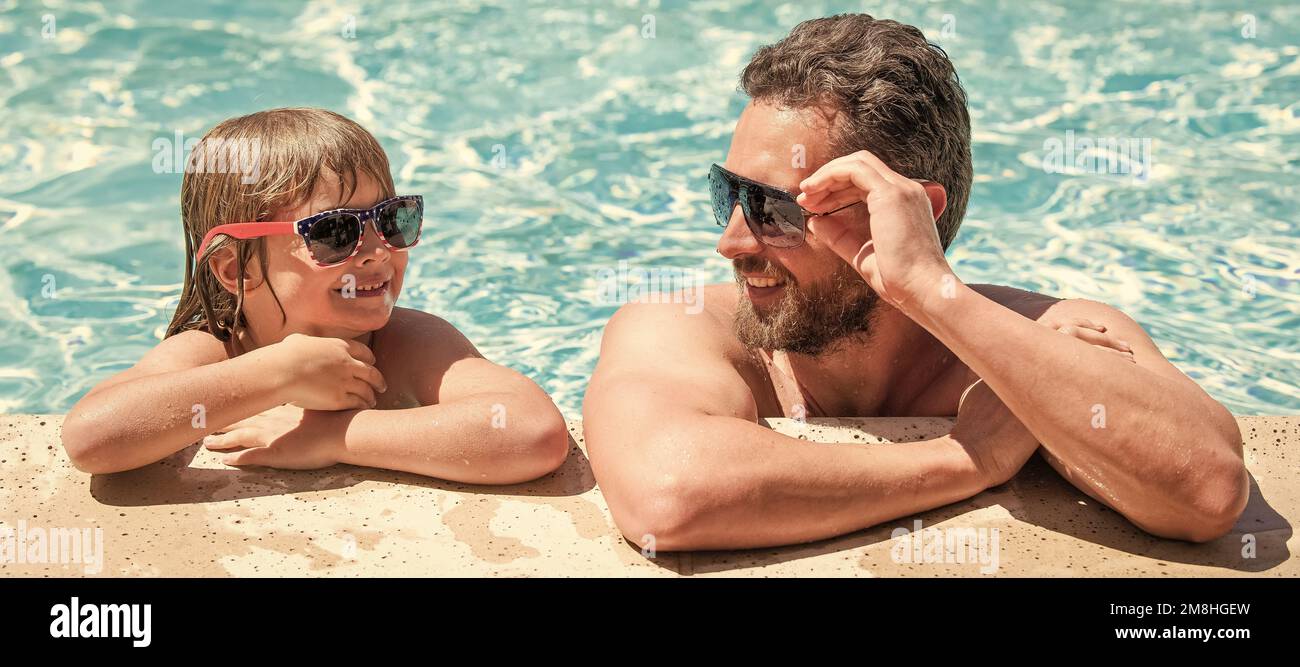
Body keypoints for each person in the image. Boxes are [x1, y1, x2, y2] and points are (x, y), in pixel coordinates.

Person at [583, 15, 1248, 551]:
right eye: (726, 192)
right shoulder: (681, 327)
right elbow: (668, 497)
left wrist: (931, 288)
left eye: (774, 209)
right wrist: (969, 458)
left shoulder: (1047, 337)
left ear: (906, 218)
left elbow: (1208, 491)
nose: (730, 240)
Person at [62, 108, 569, 483]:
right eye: (334, 232)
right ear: (234, 268)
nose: (375, 251)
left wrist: (334, 436)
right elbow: (92, 439)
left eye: (393, 220)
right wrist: (279, 373)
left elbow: (531, 432)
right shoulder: (217, 351)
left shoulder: (408, 343)